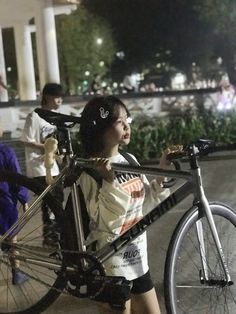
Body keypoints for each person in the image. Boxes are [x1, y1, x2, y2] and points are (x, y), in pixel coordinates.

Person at [79, 95, 181, 314]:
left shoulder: (130, 160)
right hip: (111, 266)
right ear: (102, 128)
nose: (127, 126)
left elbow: (146, 207)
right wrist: (108, 181)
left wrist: (162, 170)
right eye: (119, 121)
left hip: (138, 260)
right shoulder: (89, 172)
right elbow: (106, 225)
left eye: (128, 120)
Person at [21, 83, 63, 246]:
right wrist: (45, 147)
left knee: (57, 199)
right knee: (50, 201)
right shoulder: (35, 116)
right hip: (38, 167)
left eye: (61, 97)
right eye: (56, 97)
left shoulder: (55, 117)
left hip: (53, 166)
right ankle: (50, 235)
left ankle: (54, 234)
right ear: (47, 97)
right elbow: (26, 140)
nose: (59, 100)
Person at [0, 127, 29, 285]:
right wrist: (24, 198)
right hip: (5, 203)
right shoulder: (6, 151)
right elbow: (17, 178)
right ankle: (16, 273)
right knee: (13, 240)